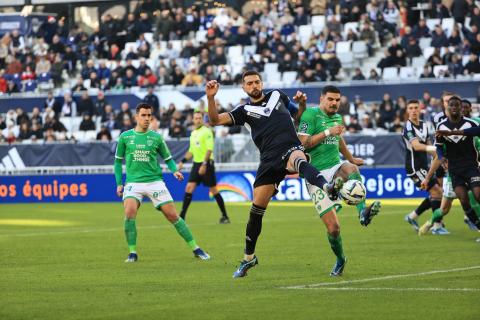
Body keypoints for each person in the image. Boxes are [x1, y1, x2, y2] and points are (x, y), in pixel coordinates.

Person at [205, 71, 341, 278]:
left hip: (289, 146)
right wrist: (211, 97)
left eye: (257, 82)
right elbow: (214, 120)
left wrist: (302, 104)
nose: (254, 85)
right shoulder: (243, 111)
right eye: (249, 83)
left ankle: (327, 187)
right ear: (243, 88)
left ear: (262, 83)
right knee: (256, 210)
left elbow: (299, 116)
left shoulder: (278, 95)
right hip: (268, 159)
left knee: (298, 159)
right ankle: (248, 258)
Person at [296, 85, 381, 276]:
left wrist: (350, 158)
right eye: (331, 99)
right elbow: (303, 144)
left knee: (351, 169)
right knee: (334, 229)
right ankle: (341, 259)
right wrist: (328, 132)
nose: (335, 103)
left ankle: (362, 213)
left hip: (335, 167)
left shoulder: (337, 118)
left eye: (337, 100)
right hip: (315, 175)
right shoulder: (309, 115)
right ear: (321, 99)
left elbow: (339, 141)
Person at [114, 103, 210, 262]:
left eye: (149, 115)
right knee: (129, 212)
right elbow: (117, 162)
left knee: (172, 215)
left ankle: (196, 248)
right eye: (143, 115)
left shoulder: (156, 137)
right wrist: (119, 183)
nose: (146, 119)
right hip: (133, 183)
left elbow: (168, 159)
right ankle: (132, 253)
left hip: (154, 182)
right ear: (136, 117)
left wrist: (175, 171)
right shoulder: (125, 137)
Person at [420, 96, 480, 234]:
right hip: (454, 170)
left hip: (471, 166)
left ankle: (433, 224)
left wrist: (452, 132)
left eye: (457, 105)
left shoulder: (471, 123)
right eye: (451, 105)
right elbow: (439, 149)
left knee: (477, 195)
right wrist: (441, 159)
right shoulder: (441, 127)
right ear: (447, 108)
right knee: (463, 201)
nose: (454, 107)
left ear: (461, 107)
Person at [177, 111, 230, 224]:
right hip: (196, 163)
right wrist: (182, 161)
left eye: (200, 118)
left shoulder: (207, 131)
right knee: (189, 188)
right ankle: (182, 216)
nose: (198, 120)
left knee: (214, 190)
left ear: (202, 119)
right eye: (196, 118)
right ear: (193, 120)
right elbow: (191, 151)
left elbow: (209, 149)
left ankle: (225, 216)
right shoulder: (193, 133)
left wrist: (204, 164)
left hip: (207, 163)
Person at [401, 100, 444, 234]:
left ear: (420, 109)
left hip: (424, 165)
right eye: (411, 108)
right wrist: (436, 149)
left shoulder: (424, 125)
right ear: (407, 111)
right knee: (437, 192)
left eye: (415, 108)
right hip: (414, 167)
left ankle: (413, 216)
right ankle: (437, 226)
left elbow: (429, 142)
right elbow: (416, 146)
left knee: (436, 192)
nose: (413, 110)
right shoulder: (408, 127)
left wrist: (438, 157)